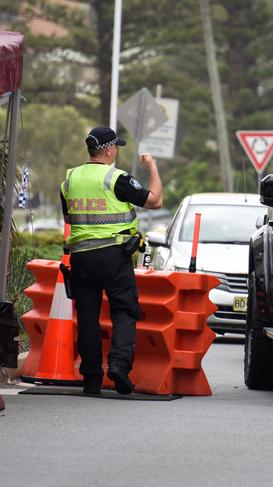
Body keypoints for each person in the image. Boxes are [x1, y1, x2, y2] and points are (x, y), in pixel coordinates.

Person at [59, 127, 163, 395]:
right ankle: (118, 366)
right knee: (124, 312)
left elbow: (70, 220)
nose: (116, 150)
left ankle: (91, 379)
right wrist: (152, 167)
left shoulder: (69, 180)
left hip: (81, 259)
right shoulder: (115, 178)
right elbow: (155, 202)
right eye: (115, 146)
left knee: (88, 318)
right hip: (114, 256)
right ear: (107, 150)